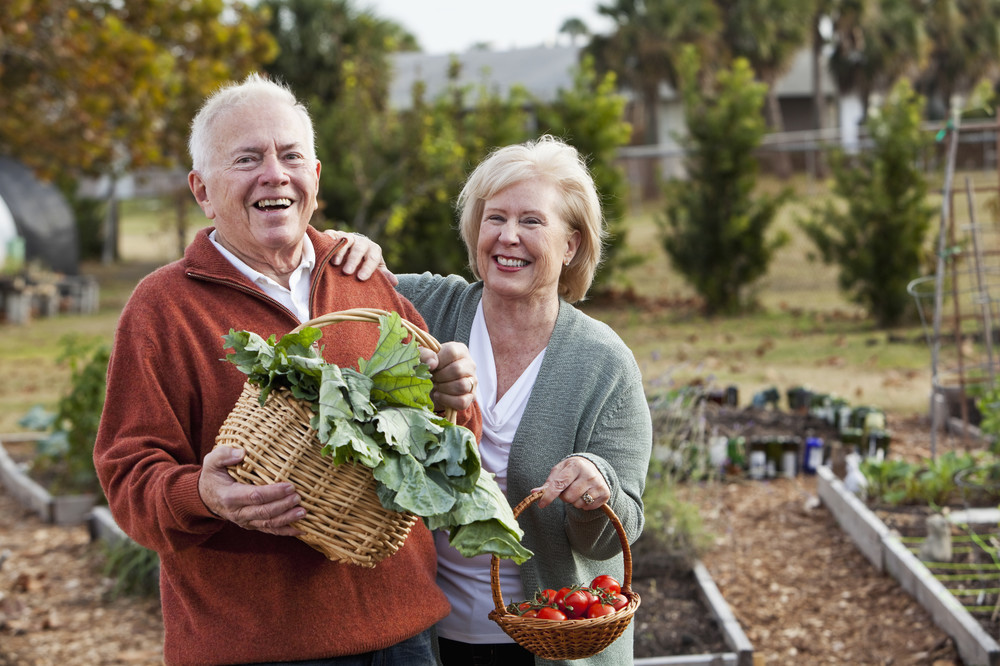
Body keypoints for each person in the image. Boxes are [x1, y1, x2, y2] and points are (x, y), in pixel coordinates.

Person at [92, 73, 481, 666]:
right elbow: (128, 478)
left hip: (403, 637)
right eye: (247, 158)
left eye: (290, 155)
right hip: (254, 648)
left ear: (315, 178)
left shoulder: (362, 276)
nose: (273, 173)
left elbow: (447, 448)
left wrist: (455, 398)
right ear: (201, 190)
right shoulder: (162, 308)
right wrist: (202, 493)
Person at [332, 135, 653, 666]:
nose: (508, 237)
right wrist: (346, 247)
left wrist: (598, 488)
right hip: (426, 639)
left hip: (551, 642)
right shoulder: (428, 307)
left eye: (532, 221)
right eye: (494, 218)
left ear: (571, 245)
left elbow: (613, 539)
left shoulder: (604, 365)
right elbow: (332, 289)